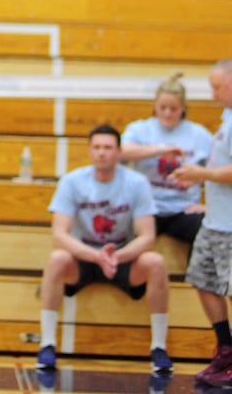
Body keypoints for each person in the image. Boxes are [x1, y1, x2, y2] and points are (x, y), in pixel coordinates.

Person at [36, 124, 173, 377]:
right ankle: (47, 344)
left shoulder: (136, 182)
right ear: (89, 151)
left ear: (119, 152)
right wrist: (96, 256)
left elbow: (147, 236)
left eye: (108, 148)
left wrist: (117, 256)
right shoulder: (72, 181)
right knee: (57, 258)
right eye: (97, 147)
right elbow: (59, 235)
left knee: (155, 262)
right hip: (84, 256)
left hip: (122, 257)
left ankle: (159, 348)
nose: (102, 153)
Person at [168, 58, 232, 388]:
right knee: (202, 277)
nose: (212, 93)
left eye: (217, 86)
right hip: (215, 221)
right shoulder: (226, 118)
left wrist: (200, 174)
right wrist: (205, 196)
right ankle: (226, 348)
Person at [121, 72, 213, 250]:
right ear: (154, 106)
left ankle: (194, 277)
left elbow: (219, 170)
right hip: (147, 208)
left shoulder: (198, 134)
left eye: (174, 109)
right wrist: (160, 149)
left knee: (206, 230)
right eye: (162, 107)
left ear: (183, 109)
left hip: (183, 209)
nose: (167, 113)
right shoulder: (140, 129)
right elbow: (122, 152)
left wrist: (199, 183)